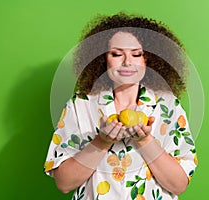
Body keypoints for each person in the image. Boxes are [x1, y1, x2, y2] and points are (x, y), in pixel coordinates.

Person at [44, 12, 198, 200]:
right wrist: (102, 142)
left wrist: (145, 141)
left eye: (136, 54)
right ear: (102, 59)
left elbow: (179, 185)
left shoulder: (168, 105)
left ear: (147, 59)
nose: (127, 62)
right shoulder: (81, 105)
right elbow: (64, 183)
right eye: (117, 54)